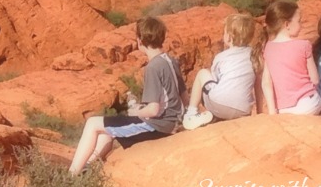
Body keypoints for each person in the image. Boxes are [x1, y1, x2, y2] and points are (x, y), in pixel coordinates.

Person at [68, 17, 186, 175]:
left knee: (92, 123)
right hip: (172, 122)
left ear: (140, 41)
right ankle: (87, 169)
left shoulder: (153, 66)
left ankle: (71, 176)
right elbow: (184, 96)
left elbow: (153, 110)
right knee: (107, 130)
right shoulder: (171, 61)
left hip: (157, 127)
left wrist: (135, 112)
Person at [182, 14, 265, 130]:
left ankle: (191, 114)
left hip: (218, 105)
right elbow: (258, 87)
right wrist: (260, 113)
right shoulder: (255, 56)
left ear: (229, 37)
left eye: (224, 32)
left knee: (202, 74)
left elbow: (216, 81)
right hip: (243, 110)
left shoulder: (221, 57)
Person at [261, 1, 321, 115]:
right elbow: (315, 79)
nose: (301, 25)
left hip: (284, 109)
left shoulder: (268, 48)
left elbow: (266, 82)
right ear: (287, 24)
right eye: (299, 21)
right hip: (308, 105)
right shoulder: (304, 45)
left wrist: (272, 111)